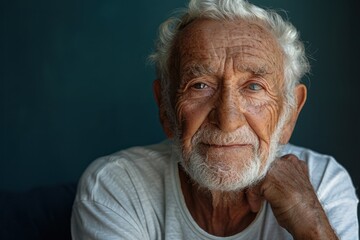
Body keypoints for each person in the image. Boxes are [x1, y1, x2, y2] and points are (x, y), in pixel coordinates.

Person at [71, 0, 359, 239]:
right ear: (165, 106)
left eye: (254, 87)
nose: (227, 119)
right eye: (200, 85)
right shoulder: (116, 186)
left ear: (290, 113)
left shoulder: (322, 186)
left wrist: (310, 222)